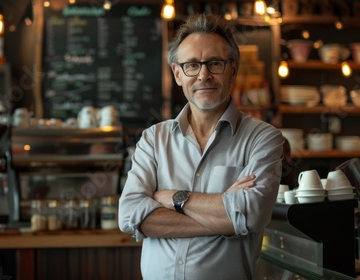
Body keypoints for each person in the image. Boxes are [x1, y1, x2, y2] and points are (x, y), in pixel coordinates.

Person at [118, 14, 284, 280]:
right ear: (177, 74)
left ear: (233, 69)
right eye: (192, 65)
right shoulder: (153, 139)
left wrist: (170, 198)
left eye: (215, 63)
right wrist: (227, 219)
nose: (204, 75)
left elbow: (251, 216)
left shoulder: (263, 139)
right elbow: (130, 217)